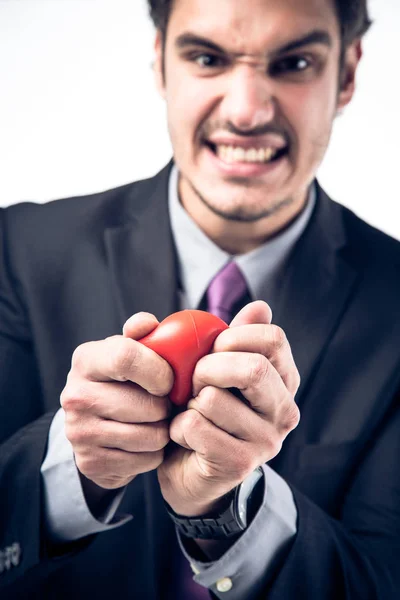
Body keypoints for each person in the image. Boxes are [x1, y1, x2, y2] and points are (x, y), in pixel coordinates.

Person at [0, 0, 399, 598]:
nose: (246, 111)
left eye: (294, 62)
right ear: (160, 62)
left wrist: (230, 511)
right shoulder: (18, 251)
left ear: (346, 74)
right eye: (207, 57)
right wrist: (72, 468)